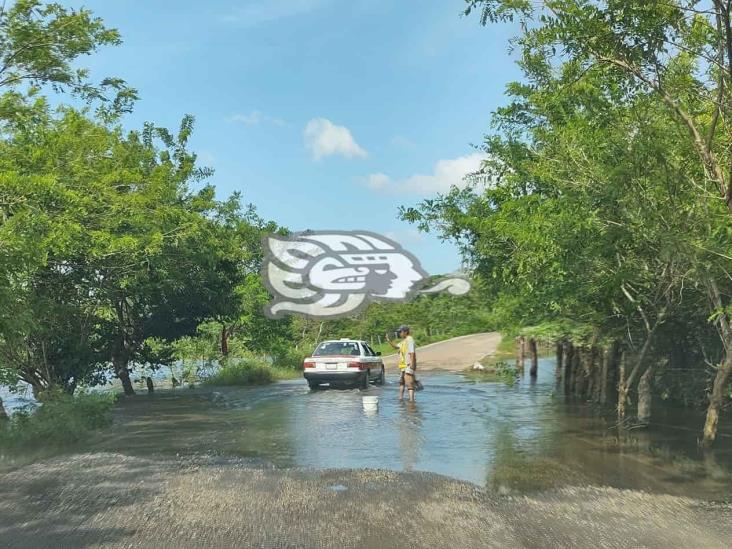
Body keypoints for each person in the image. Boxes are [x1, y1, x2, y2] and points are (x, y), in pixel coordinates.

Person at [386, 325, 417, 401]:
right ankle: (400, 399)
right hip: (403, 366)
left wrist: (412, 364)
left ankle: (411, 401)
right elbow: (396, 347)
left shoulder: (409, 339)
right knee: (401, 382)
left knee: (409, 384)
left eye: (400, 332)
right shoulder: (403, 341)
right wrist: (389, 341)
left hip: (408, 365)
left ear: (405, 332)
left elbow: (412, 353)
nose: (399, 333)